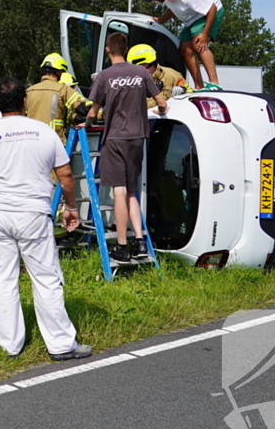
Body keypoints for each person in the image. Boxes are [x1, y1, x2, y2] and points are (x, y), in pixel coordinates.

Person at [0, 78, 92, 362]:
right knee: (46, 279)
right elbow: (66, 176)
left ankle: (11, 345)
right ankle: (60, 344)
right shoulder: (43, 132)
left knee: (3, 280)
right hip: (34, 214)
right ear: (24, 102)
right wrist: (70, 208)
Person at [86, 33, 168, 262]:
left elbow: (93, 111)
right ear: (127, 49)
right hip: (138, 137)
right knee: (131, 190)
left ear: (107, 50)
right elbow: (161, 103)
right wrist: (161, 113)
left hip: (115, 138)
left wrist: (88, 122)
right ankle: (140, 242)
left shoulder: (104, 76)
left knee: (118, 191)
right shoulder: (141, 73)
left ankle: (122, 246)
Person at [144, 0, 225, 91]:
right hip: (192, 18)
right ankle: (199, 86)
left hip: (210, 12)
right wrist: (162, 20)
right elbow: (174, 7)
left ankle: (215, 84)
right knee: (185, 51)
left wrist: (204, 34)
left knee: (199, 44)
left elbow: (212, 8)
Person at [25, 53, 89, 144]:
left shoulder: (29, 91)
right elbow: (83, 108)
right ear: (58, 71)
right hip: (54, 142)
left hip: (31, 142)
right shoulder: (62, 89)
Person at [127, 44, 191, 109]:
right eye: (137, 67)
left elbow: (190, 96)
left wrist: (183, 91)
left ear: (153, 62)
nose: (142, 71)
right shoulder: (128, 81)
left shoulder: (172, 76)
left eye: (144, 65)